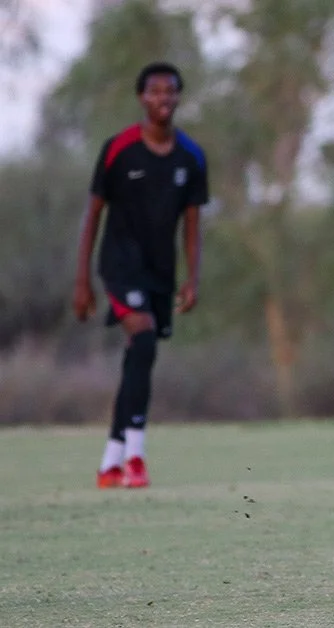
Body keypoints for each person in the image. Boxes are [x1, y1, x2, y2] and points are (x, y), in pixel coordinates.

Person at [73, 62, 207, 489]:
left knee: (140, 353)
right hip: (118, 264)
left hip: (160, 271)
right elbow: (93, 214)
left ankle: (111, 461)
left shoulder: (191, 156)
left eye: (170, 91)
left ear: (179, 98)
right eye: (154, 91)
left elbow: (192, 223)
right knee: (143, 338)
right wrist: (82, 281)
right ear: (141, 98)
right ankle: (135, 457)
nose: (162, 98)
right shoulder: (119, 149)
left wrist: (192, 278)